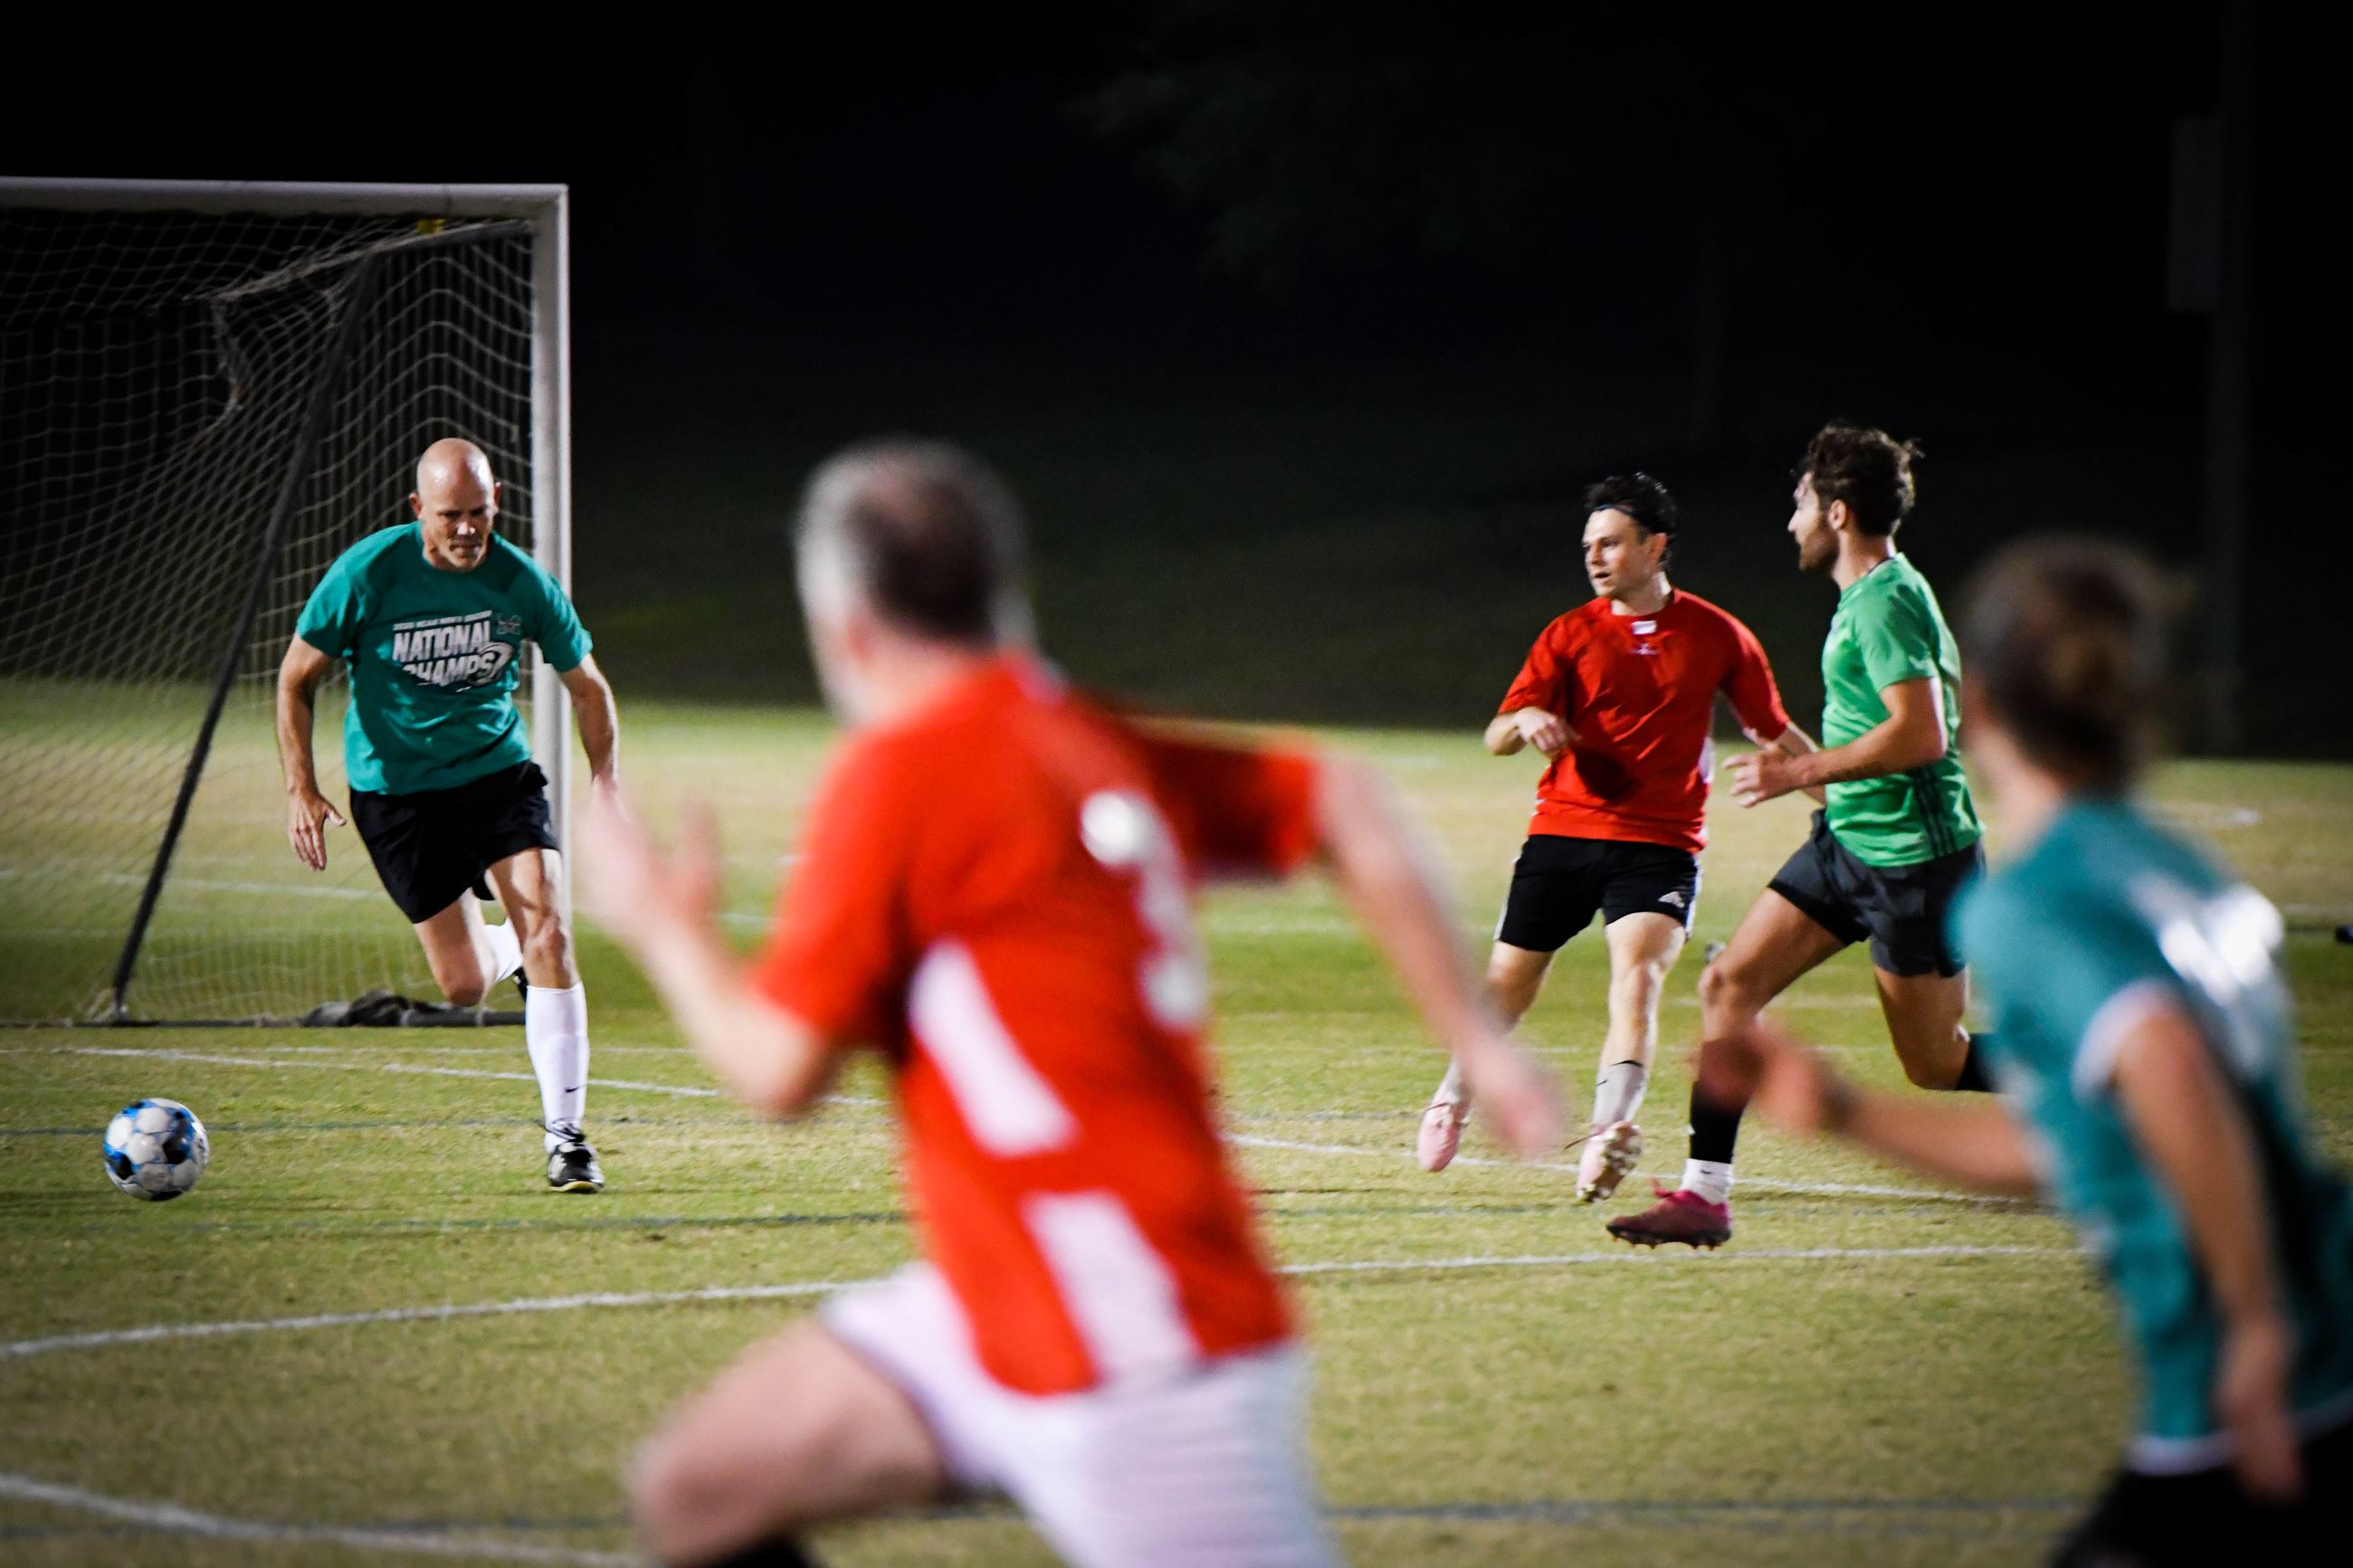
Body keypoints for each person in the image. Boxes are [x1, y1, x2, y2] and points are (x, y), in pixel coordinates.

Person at [582, 441, 1562, 1568]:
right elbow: (1341, 798)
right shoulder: (1078, 736)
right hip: (997, 1296)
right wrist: (1477, 1051)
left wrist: (661, 926)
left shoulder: (903, 772)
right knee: (703, 1487)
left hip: (1140, 1348)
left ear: (845, 622)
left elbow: (776, 1071)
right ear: (1001, 592)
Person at [1697, 539, 2353, 1564]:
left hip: (2247, 1382)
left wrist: (2256, 1320)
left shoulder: (2032, 896)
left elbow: (2167, 1063)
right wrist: (1841, 1111)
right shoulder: (2177, 862)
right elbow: (2092, 1147)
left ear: (1980, 703)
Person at [1610, 424, 1995, 1250]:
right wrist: (1809, 774)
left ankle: (2110, 1083)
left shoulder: (1887, 599)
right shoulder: (1867, 595)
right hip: (1849, 843)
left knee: (1934, 1063)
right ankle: (1703, 1197)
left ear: (1840, 512)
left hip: (1913, 865)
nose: (1791, 521)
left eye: (1801, 504)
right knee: (1729, 986)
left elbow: (1922, 734)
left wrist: (1792, 775)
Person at [1415, 473, 1801, 1202]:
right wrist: (1523, 722)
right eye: (1589, 545)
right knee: (1508, 985)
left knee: (1639, 980)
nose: (1595, 558)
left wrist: (1839, 789)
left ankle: (1605, 1135)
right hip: (1562, 830)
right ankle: (1453, 1095)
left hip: (1661, 841)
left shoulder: (1719, 634)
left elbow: (1773, 731)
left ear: (1655, 546)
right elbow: (1498, 733)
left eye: (1612, 542)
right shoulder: (1568, 633)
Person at [277, 437, 618, 1193]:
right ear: (417, 511)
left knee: (553, 930)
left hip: (497, 779)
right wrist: (301, 786)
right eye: (451, 515)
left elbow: (587, 685)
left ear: (497, 504)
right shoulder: (367, 574)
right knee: (463, 984)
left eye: (481, 513)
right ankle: (512, 951)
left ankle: (567, 1140)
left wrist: (607, 785)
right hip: (397, 796)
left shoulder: (520, 580)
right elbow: (295, 678)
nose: (468, 530)